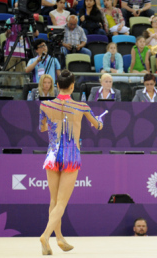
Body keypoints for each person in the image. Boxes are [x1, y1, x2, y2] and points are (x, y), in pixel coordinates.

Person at [38, 70, 103, 255]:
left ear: (57, 85)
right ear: (73, 86)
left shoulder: (45, 104)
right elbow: (98, 126)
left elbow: (42, 128)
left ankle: (58, 238)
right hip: (70, 155)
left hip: (52, 154)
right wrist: (98, 122)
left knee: (54, 200)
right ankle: (45, 235)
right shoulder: (81, 106)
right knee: (61, 202)